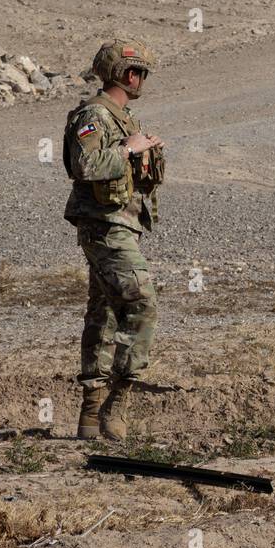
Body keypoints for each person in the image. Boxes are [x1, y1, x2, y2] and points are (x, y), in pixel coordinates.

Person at [62, 41, 165, 439]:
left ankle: (91, 416)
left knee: (104, 313)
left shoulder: (125, 118)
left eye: (142, 72)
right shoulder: (94, 115)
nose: (140, 79)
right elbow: (84, 166)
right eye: (134, 72)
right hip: (104, 227)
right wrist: (128, 149)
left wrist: (147, 153)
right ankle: (116, 403)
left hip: (120, 225)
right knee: (142, 303)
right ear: (118, 74)